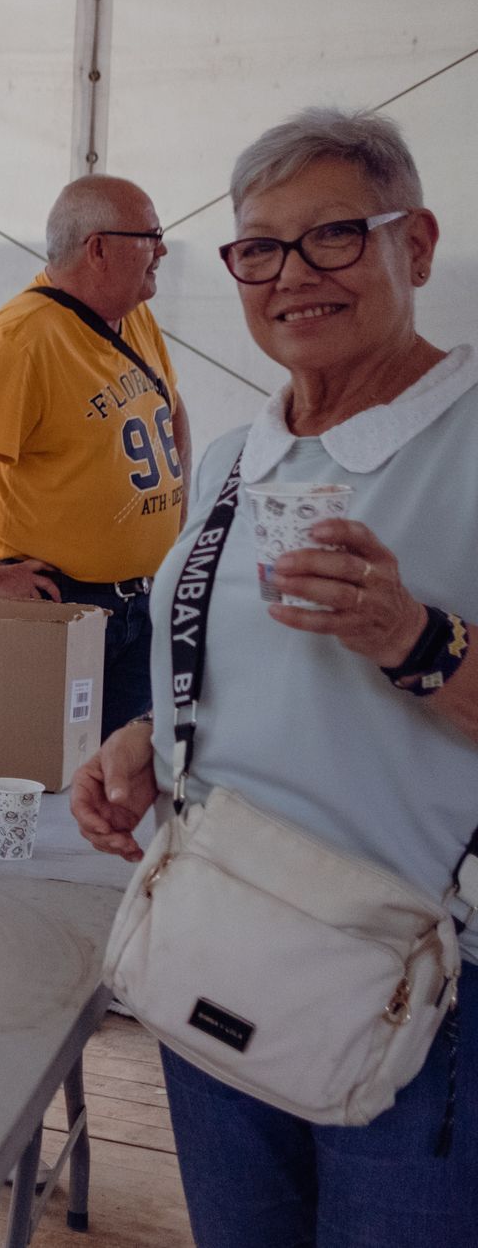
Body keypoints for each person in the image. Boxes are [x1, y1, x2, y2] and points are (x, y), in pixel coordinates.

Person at [72, 108, 478, 1242]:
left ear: (418, 244)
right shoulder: (236, 457)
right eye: (259, 248)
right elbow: (228, 675)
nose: (292, 275)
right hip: (222, 949)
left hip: (417, 994)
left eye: (334, 235)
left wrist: (415, 636)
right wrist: (147, 745)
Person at [0, 176, 191, 738]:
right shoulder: (26, 337)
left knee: (119, 777)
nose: (163, 249)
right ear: (97, 248)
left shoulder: (130, 312)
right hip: (62, 609)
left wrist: (181, 522)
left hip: (141, 605)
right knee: (52, 775)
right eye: (150, 236)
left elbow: (172, 408)